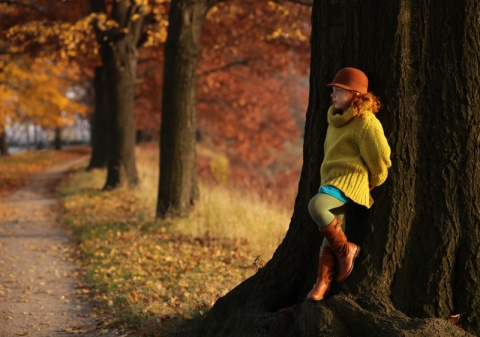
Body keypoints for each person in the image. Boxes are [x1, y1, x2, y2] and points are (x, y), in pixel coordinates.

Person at [306, 67, 392, 301]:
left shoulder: (366, 123)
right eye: (332, 90)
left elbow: (381, 158)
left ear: (356, 94)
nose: (332, 95)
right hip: (330, 181)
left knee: (316, 207)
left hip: (348, 183)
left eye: (339, 91)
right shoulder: (335, 119)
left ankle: (347, 250)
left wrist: (374, 181)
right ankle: (322, 282)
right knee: (333, 229)